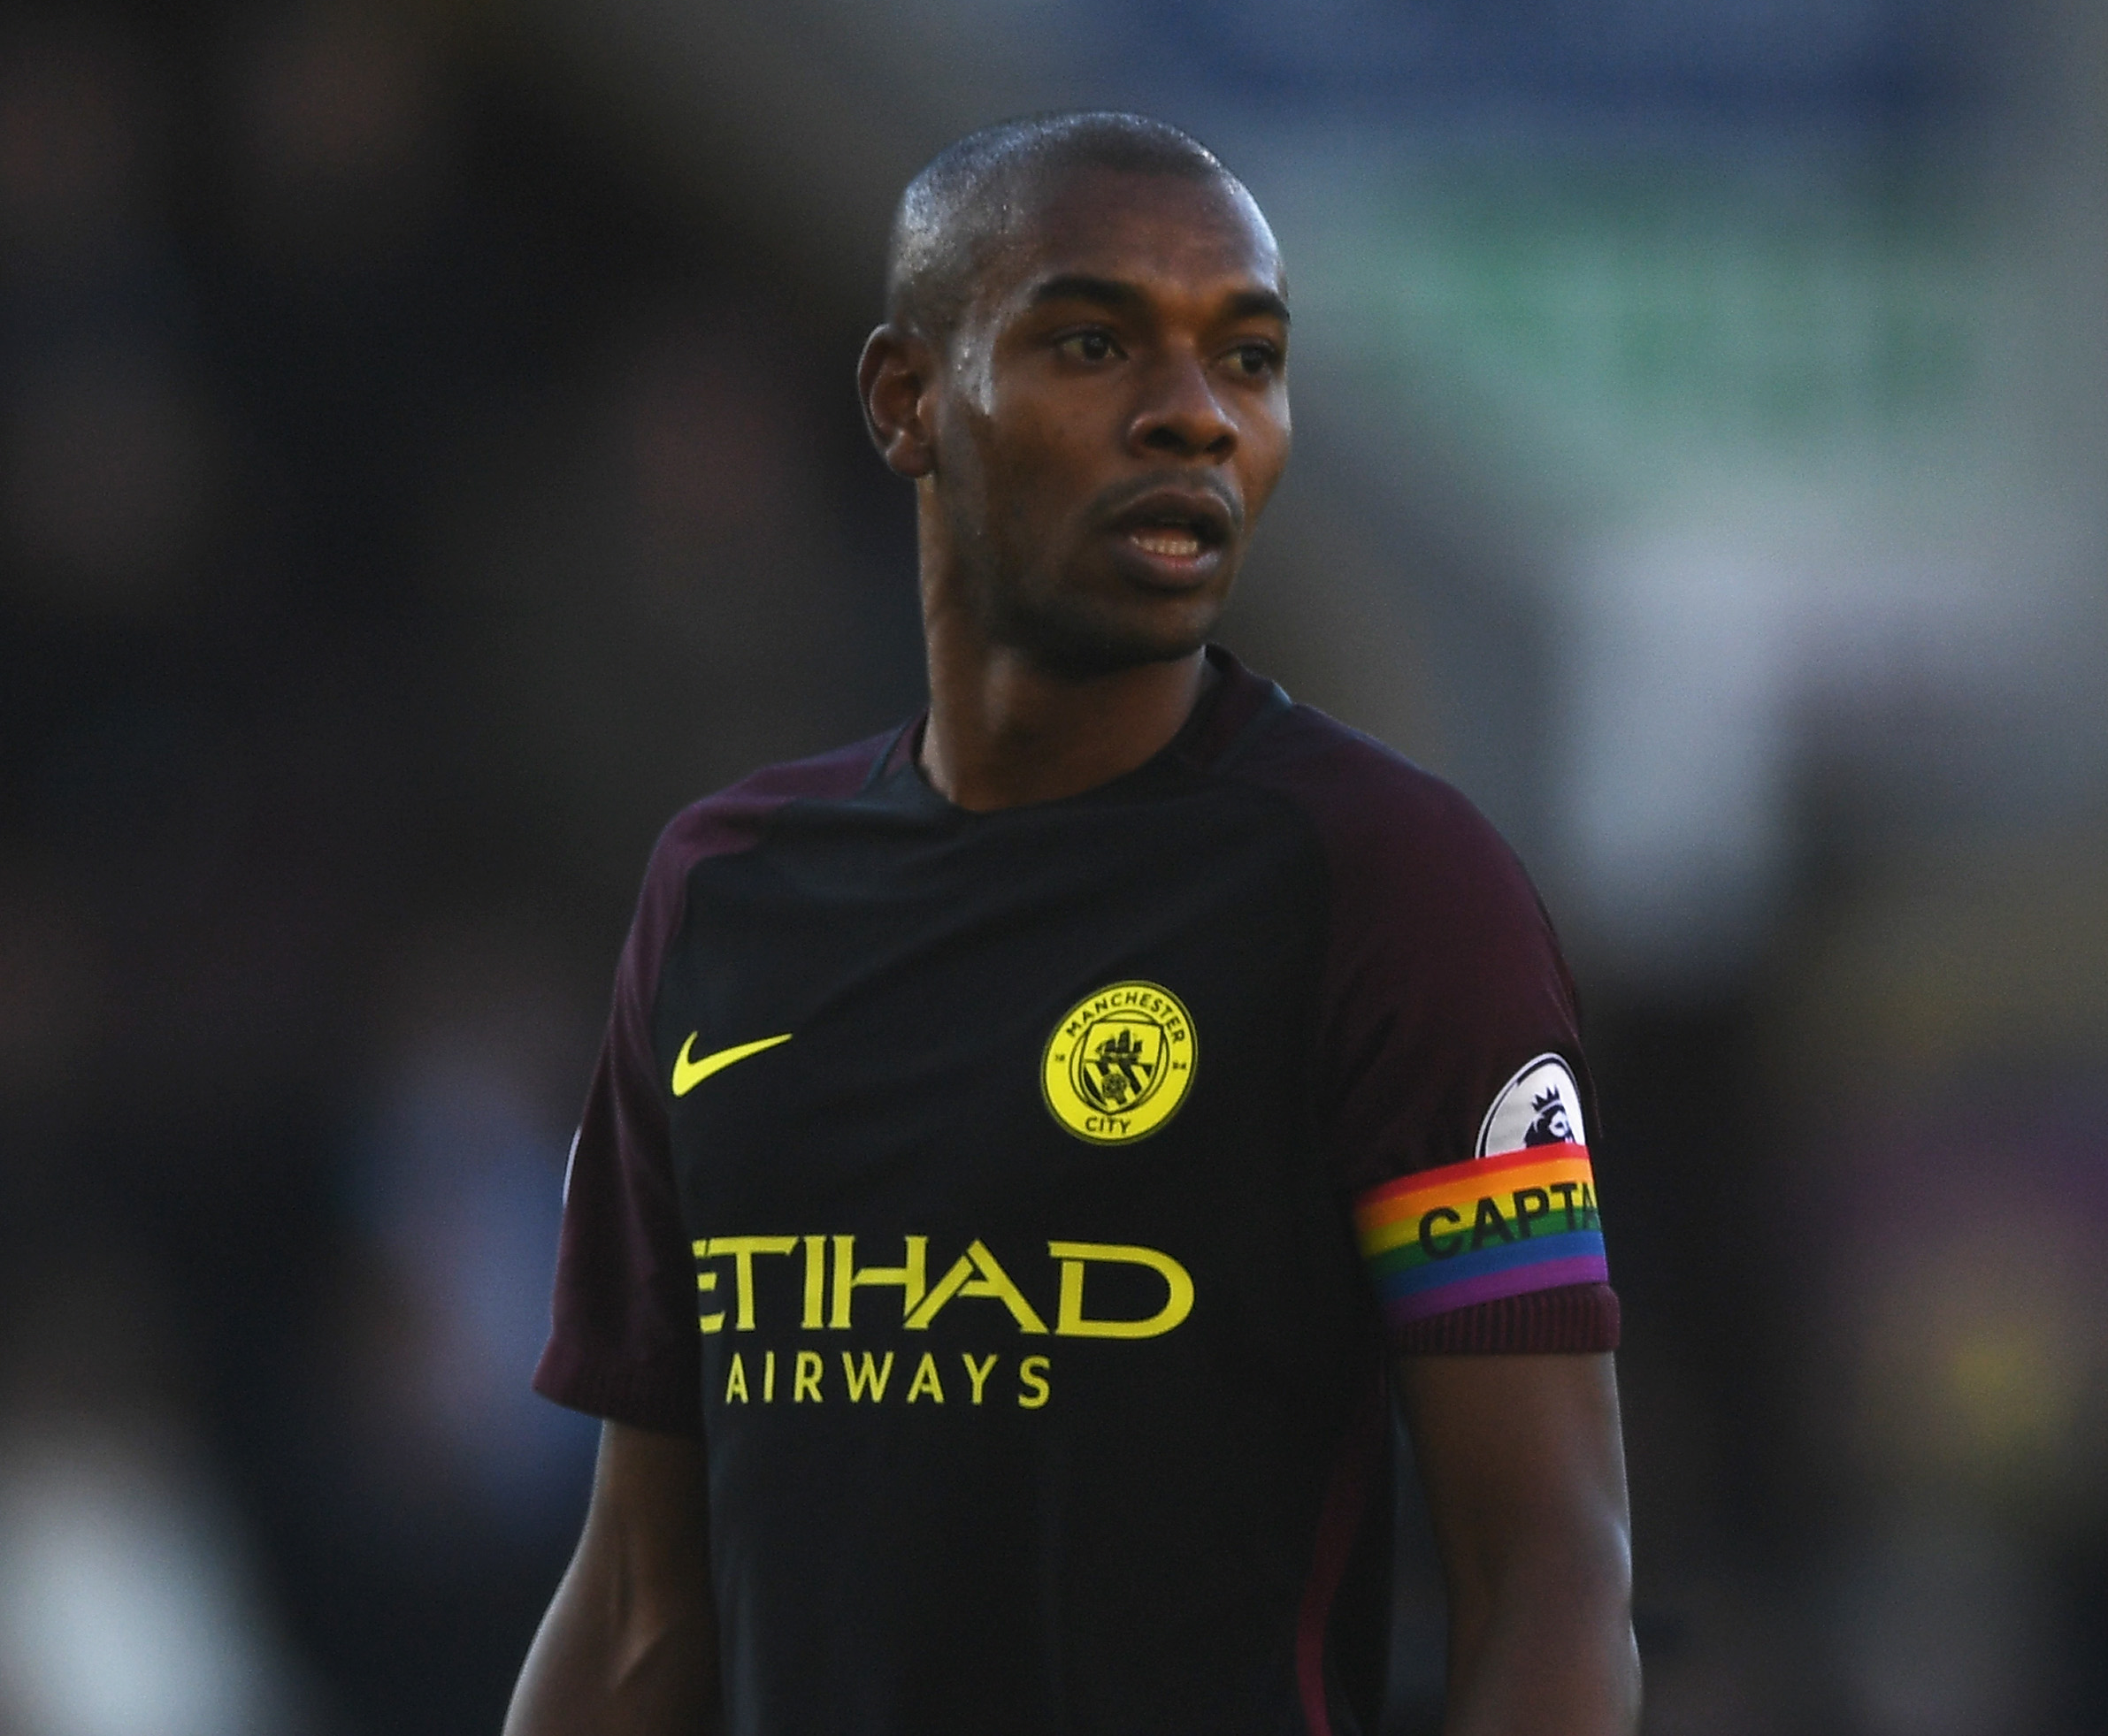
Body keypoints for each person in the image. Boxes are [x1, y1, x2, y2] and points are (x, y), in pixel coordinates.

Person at [503, 112, 1638, 1736]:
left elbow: (1553, 1580)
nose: (1192, 414)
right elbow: (635, 1601)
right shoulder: (723, 895)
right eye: (1097, 342)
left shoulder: (1392, 887)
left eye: (1247, 359)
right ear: (907, 402)